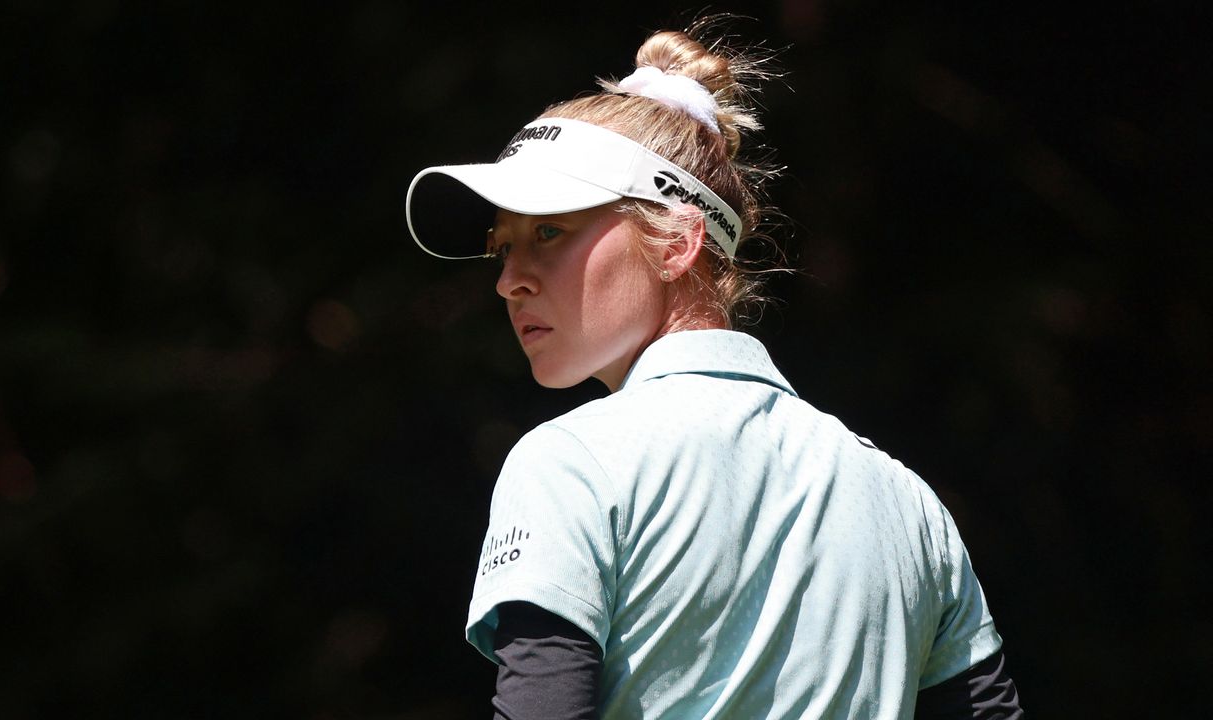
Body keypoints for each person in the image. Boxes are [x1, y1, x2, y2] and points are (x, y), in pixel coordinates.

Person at [404, 18, 1024, 720]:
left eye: (549, 231)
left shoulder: (570, 462)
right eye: (502, 246)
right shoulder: (910, 505)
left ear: (677, 244)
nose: (509, 279)